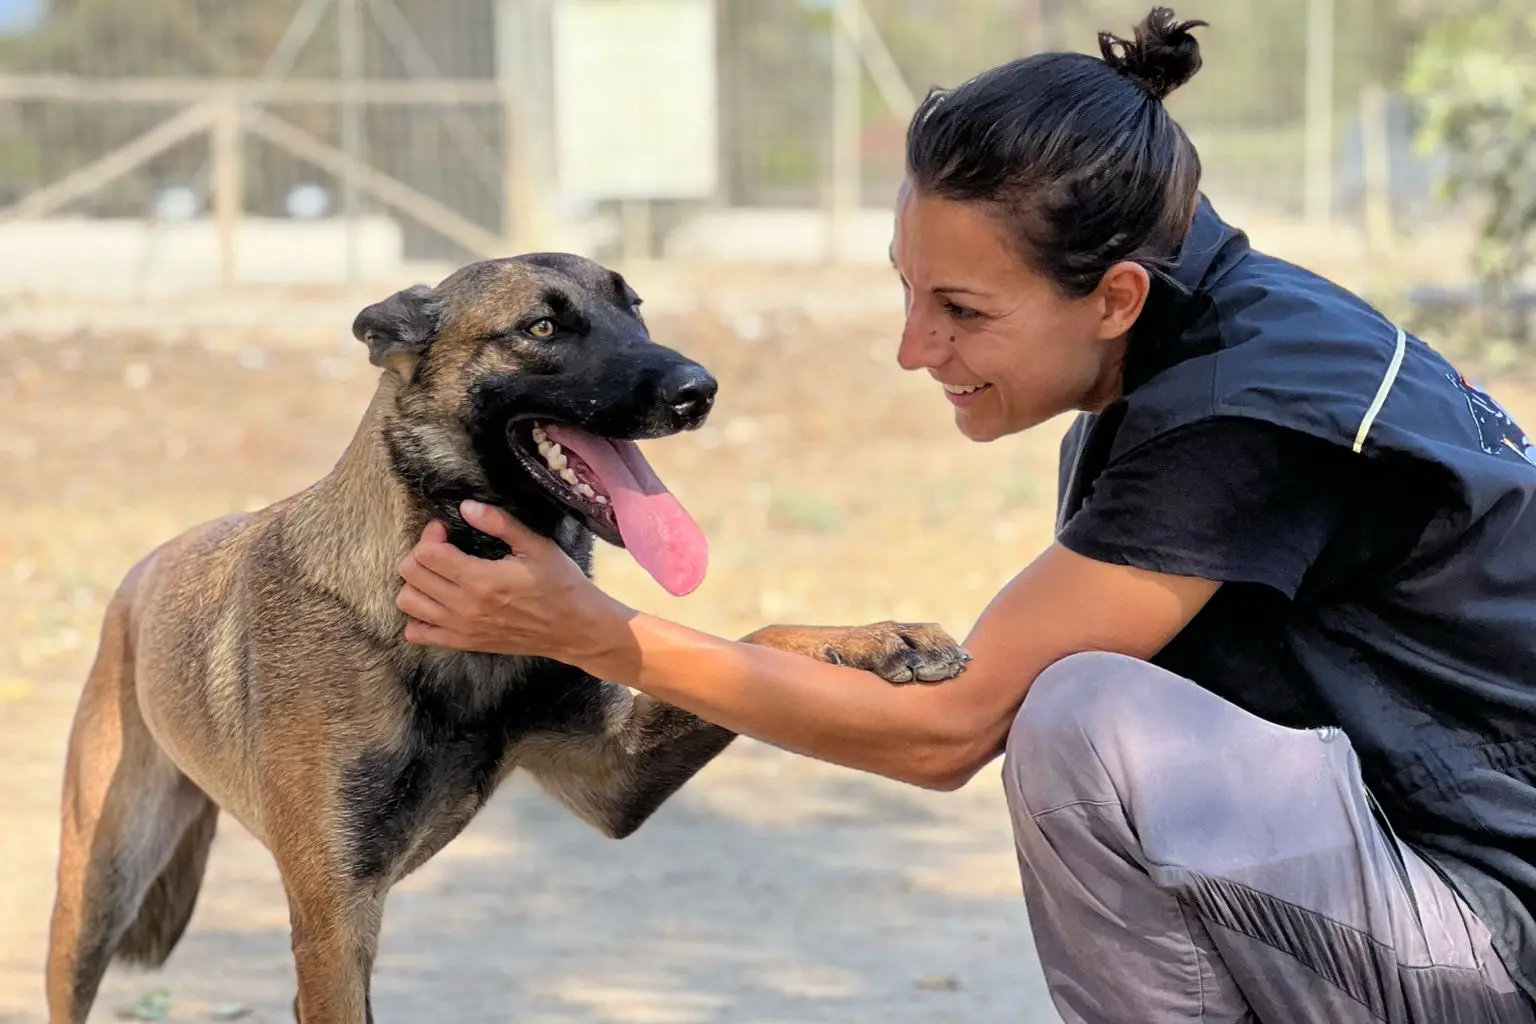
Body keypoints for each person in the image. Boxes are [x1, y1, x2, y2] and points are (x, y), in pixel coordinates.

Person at [393, 8, 1536, 1022]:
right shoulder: (1222, 323)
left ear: (1115, 296)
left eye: (960, 309)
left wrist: (589, 630)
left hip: (1495, 932)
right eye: (906, 285)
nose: (913, 347)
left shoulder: (1239, 416)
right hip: (1428, 884)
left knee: (1082, 723)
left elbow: (953, 729)